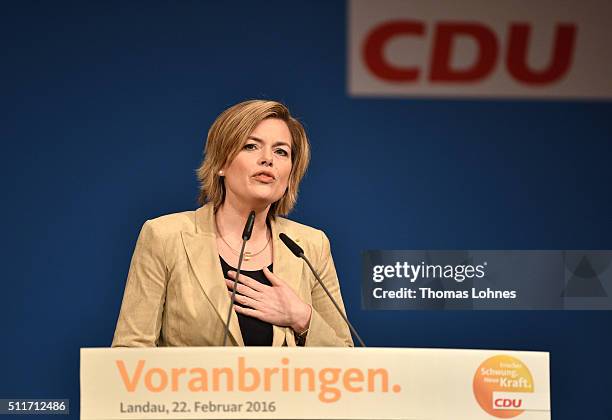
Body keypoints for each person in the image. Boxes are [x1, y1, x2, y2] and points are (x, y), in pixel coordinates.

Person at [111, 99, 353, 347]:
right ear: (222, 164)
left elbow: (347, 360)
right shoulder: (165, 236)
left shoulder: (311, 245)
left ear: (291, 173)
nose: (268, 159)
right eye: (251, 146)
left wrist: (302, 317)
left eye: (281, 151)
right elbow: (130, 351)